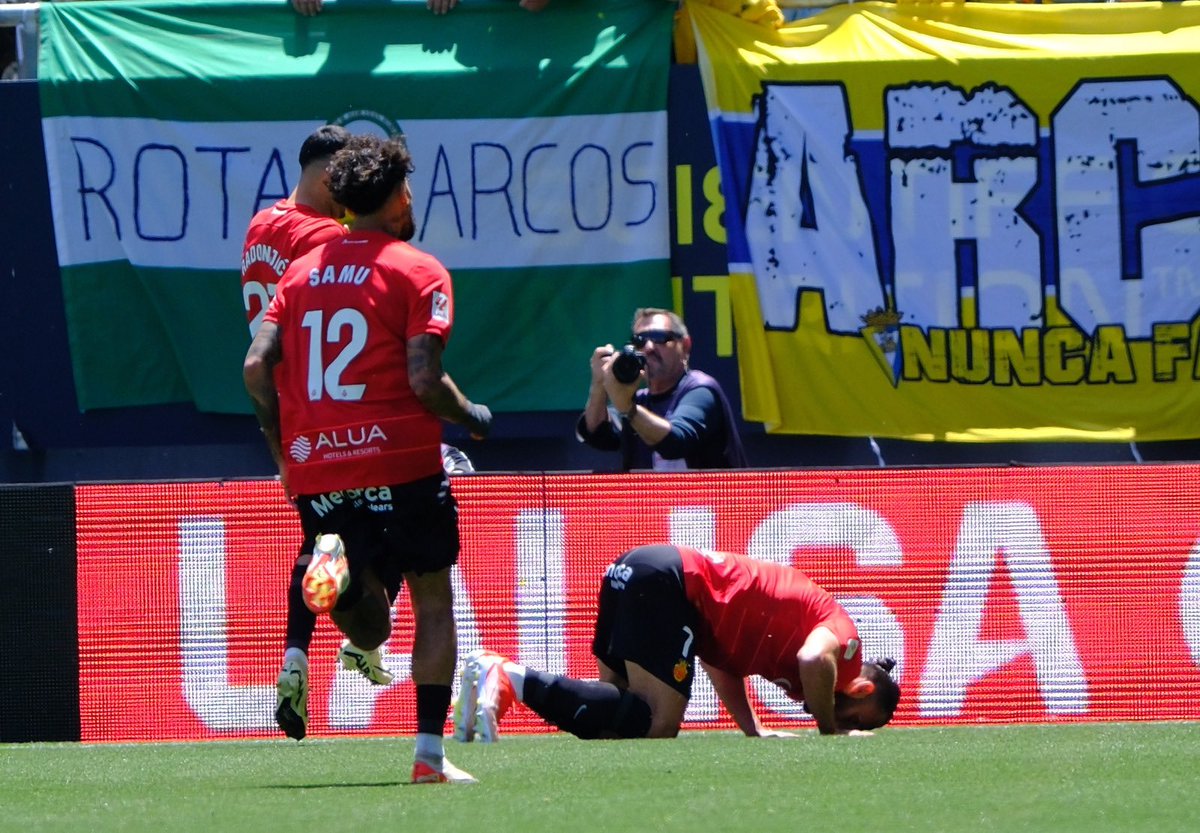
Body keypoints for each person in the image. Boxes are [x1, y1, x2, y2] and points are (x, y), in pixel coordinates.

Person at [244, 134, 492, 784]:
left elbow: (255, 364)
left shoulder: (299, 271)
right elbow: (423, 380)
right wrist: (471, 416)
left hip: (321, 467)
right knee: (433, 601)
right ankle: (429, 756)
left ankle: (343, 580)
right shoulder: (418, 268)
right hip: (402, 460)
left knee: (370, 619)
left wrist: (282, 446)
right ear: (398, 196)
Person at [453, 544, 899, 742]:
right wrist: (828, 731)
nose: (847, 723)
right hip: (667, 580)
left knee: (620, 721)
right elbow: (811, 658)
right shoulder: (844, 651)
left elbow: (722, 661)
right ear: (861, 690)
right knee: (658, 724)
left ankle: (500, 685)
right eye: (856, 718)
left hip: (635, 569)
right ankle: (505, 672)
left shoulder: (806, 648)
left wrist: (752, 728)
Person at [576, 308, 749, 470]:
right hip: (652, 502)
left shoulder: (701, 389)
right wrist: (599, 385)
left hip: (714, 500)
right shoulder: (639, 401)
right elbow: (595, 433)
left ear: (685, 346)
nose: (649, 348)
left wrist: (629, 409)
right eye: (640, 340)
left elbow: (675, 443)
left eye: (660, 337)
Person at [241, 124, 351, 339]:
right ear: (331, 174)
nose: (353, 190)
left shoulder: (259, 222)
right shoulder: (324, 234)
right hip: (305, 369)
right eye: (350, 178)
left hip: (266, 367)